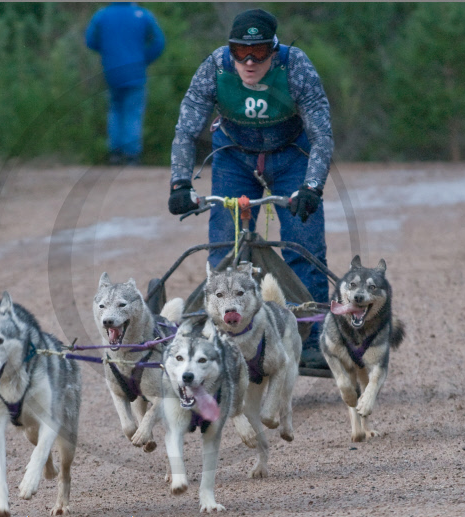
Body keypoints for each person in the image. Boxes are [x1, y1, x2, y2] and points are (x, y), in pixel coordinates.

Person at [166, 8, 333, 371]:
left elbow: (321, 134)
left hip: (291, 156)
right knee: (224, 246)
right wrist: (180, 182)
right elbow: (186, 130)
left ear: (274, 51)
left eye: (259, 52)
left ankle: (313, 339)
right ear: (230, 50)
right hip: (234, 158)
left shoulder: (296, 67)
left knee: (305, 245)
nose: (249, 61)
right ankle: (219, 338)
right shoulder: (215, 67)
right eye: (240, 51)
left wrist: (312, 186)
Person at [85, 2, 165, 166]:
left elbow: (90, 40)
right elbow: (159, 42)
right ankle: (131, 155)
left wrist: (108, 54)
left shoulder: (102, 15)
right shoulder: (143, 14)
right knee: (133, 112)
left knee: (115, 110)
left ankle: (115, 154)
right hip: (136, 71)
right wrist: (144, 59)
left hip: (112, 71)